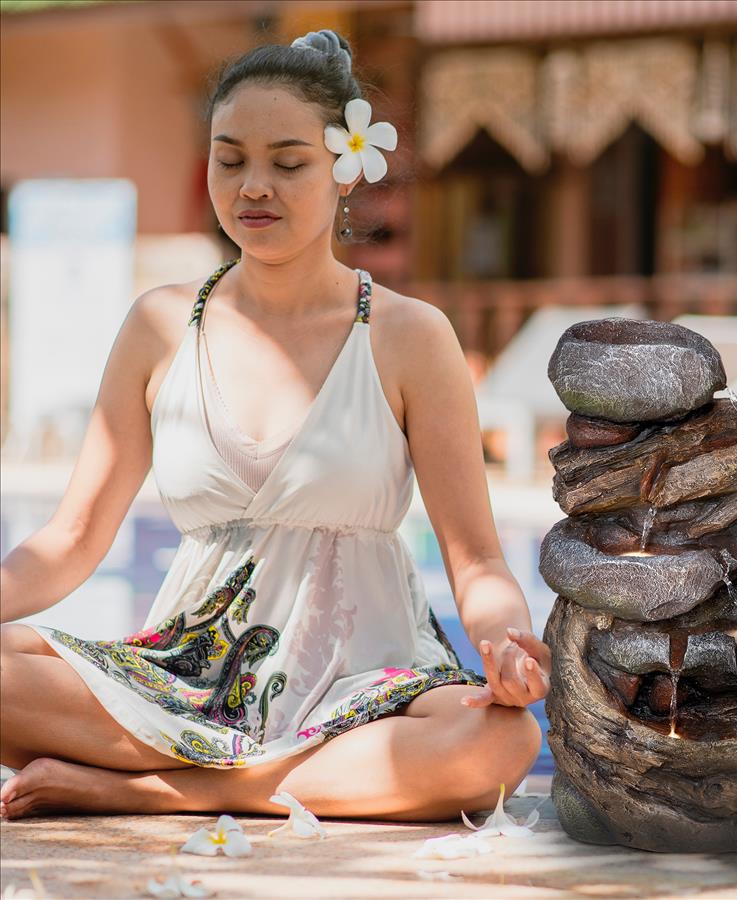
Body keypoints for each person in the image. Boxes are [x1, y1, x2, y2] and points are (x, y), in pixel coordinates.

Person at [0, 28, 549, 823]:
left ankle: (153, 793)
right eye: (230, 160)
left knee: (497, 747)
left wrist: (506, 645)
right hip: (184, 681)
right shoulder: (159, 325)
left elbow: (477, 559)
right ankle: (234, 781)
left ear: (343, 170)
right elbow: (73, 537)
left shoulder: (409, 335)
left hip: (366, 687)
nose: (254, 186)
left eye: (287, 162)